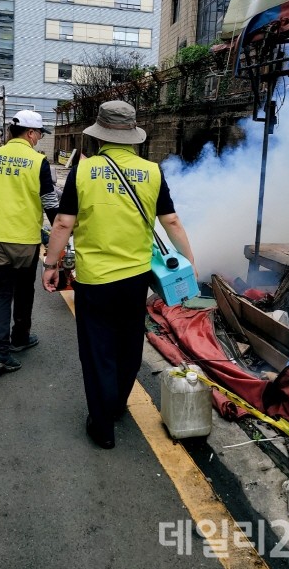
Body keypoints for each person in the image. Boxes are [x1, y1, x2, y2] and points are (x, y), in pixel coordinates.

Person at [42, 100, 196, 449]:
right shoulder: (152, 171)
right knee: (129, 342)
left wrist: (51, 266)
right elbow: (171, 221)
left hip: (94, 278)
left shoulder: (83, 170)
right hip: (135, 278)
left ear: (99, 135)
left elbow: (64, 222)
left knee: (97, 348)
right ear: (133, 135)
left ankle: (102, 426)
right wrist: (189, 261)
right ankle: (117, 404)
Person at [0, 110, 59, 372]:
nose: (40, 139)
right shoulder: (37, 161)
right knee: (24, 290)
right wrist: (60, 233)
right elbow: (50, 203)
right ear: (30, 133)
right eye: (40, 134)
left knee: (0, 292)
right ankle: (20, 337)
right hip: (25, 242)